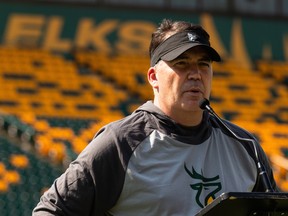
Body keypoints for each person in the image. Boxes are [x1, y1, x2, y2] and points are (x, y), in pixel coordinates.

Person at [33, 19, 278, 216]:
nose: (195, 74)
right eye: (181, 63)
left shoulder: (245, 146)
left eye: (203, 64)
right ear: (153, 77)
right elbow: (51, 210)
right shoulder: (121, 143)